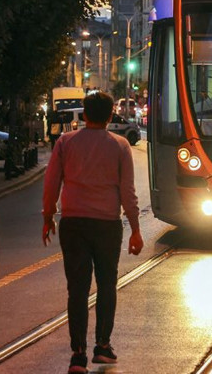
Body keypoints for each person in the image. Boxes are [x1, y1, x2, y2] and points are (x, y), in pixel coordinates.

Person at [42, 91, 144, 374]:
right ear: (111, 116)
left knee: (77, 288)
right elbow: (128, 192)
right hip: (107, 225)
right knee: (107, 283)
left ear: (84, 114)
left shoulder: (65, 143)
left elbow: (51, 183)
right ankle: (102, 345)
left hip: (73, 223)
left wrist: (48, 216)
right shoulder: (120, 146)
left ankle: (77, 354)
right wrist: (135, 229)